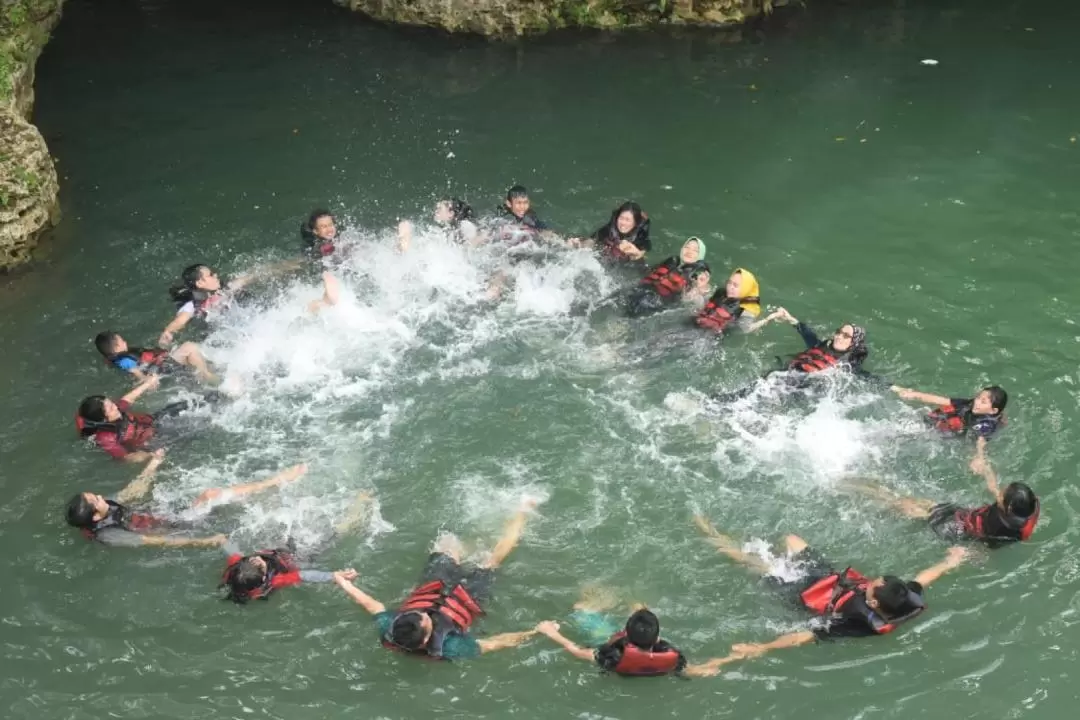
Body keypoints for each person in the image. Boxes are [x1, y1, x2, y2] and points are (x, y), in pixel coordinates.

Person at [692, 516, 967, 656]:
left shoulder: (856, 622)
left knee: (751, 562)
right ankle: (773, 557)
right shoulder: (902, 598)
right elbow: (924, 578)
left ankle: (708, 534)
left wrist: (762, 648)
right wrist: (950, 562)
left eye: (873, 586)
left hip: (804, 594)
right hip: (828, 579)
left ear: (872, 603)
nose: (872, 581)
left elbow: (804, 636)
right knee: (791, 539)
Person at [332, 500, 540, 661]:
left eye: (418, 613)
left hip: (434, 587)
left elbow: (372, 605)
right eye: (425, 618)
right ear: (425, 640)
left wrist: (343, 582)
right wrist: (536, 631)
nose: (423, 613)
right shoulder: (452, 647)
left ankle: (467, 549)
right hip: (467, 598)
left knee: (447, 543)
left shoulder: (392, 627)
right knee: (491, 560)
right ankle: (522, 512)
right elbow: (495, 643)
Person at [65, 455, 306, 548]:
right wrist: (204, 542)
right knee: (211, 495)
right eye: (95, 499)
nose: (99, 495)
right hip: (176, 526)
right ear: (96, 516)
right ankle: (275, 482)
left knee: (211, 497)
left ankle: (269, 491)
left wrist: (153, 464)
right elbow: (156, 540)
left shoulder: (105, 506)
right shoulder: (109, 535)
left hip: (165, 513)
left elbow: (131, 492)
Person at [843, 445, 1039, 548]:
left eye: (1003, 495)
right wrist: (983, 461)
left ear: (1008, 508)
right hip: (963, 515)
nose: (1000, 492)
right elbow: (995, 491)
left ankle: (857, 490)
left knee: (901, 504)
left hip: (956, 528)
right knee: (915, 503)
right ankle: (863, 489)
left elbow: (993, 491)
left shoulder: (1001, 521)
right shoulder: (1029, 508)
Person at [534, 590, 743, 678]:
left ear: (625, 633)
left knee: (580, 608)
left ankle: (631, 607)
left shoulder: (611, 657)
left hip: (604, 636)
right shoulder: (671, 660)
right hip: (637, 640)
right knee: (640, 608)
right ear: (658, 638)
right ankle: (638, 608)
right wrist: (733, 657)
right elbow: (701, 670)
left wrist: (551, 632)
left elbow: (576, 650)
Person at [221, 491, 374, 603]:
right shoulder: (276, 580)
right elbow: (305, 575)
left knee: (281, 522)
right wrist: (334, 575)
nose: (257, 558)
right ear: (263, 577)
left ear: (240, 564)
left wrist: (206, 541)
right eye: (258, 564)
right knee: (334, 535)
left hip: (279, 549)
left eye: (251, 560)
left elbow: (223, 542)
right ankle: (359, 505)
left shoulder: (235, 568)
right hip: (297, 557)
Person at [76, 376, 170, 462]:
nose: (116, 407)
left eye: (112, 403)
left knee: (181, 406)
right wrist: (150, 454)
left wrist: (148, 383)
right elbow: (126, 457)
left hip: (152, 422)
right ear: (103, 419)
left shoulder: (114, 410)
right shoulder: (106, 438)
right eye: (111, 408)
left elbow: (128, 399)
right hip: (151, 441)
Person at [891, 385, 1007, 454]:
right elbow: (941, 400)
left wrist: (978, 458)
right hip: (938, 422)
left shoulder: (986, 425)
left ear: (993, 411)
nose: (977, 402)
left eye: (983, 402)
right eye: (978, 398)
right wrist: (915, 395)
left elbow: (980, 442)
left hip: (943, 432)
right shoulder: (970, 404)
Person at [619, 237, 711, 317]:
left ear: (700, 256)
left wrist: (700, 287)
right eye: (687, 247)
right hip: (636, 292)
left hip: (654, 306)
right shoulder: (672, 262)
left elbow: (694, 304)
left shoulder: (696, 278)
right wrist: (637, 255)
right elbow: (646, 273)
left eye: (695, 250)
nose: (689, 251)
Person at [95, 330, 217, 384]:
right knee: (189, 347)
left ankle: (206, 374)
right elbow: (135, 371)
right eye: (122, 341)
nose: (125, 341)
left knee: (193, 355)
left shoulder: (117, 357)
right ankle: (209, 377)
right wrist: (146, 380)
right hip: (163, 368)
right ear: (116, 348)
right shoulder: (125, 361)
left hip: (161, 363)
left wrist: (163, 345)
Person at [694, 267, 775, 335]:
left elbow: (745, 329)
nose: (730, 287)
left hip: (710, 336)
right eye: (729, 283)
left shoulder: (748, 308)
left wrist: (768, 319)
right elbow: (705, 305)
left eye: (735, 285)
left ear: (745, 288)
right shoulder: (722, 293)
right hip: (694, 324)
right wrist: (700, 288)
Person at [575, 201, 651, 263]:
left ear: (635, 223)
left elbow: (644, 248)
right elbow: (593, 239)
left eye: (627, 220)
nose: (623, 223)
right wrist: (579, 244)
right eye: (621, 218)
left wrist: (636, 253)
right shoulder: (610, 228)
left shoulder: (641, 232)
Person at [397, 198, 479, 252]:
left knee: (405, 225)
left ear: (451, 213)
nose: (436, 212)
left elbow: (475, 242)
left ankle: (404, 248)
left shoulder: (465, 224)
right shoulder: (449, 231)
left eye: (439, 209)